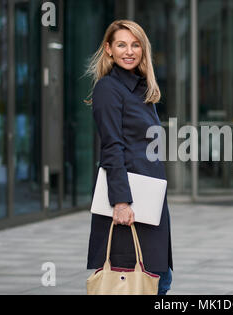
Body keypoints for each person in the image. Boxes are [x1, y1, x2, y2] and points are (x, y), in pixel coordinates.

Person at [84, 20, 173, 295]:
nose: (129, 51)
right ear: (108, 49)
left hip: (149, 200)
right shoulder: (108, 89)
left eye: (135, 45)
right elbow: (112, 146)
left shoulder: (142, 89)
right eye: (121, 44)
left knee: (160, 278)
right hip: (129, 203)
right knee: (141, 282)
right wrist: (120, 201)